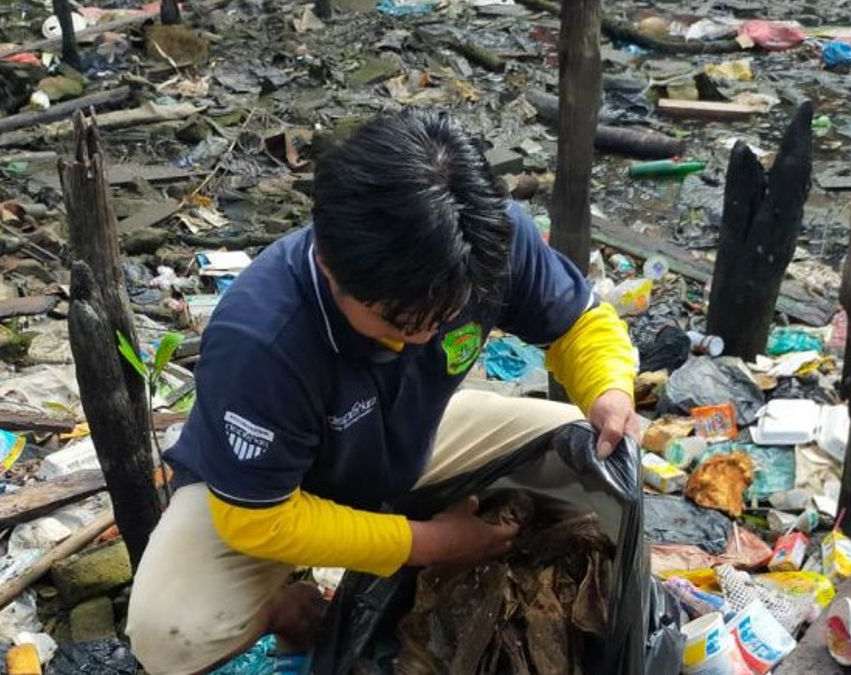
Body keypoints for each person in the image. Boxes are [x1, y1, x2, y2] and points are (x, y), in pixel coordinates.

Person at [125, 109, 639, 675]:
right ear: (327, 262)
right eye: (399, 320)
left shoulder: (482, 238)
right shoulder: (259, 338)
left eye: (441, 316)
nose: (423, 334)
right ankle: (283, 604)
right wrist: (437, 544)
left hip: (415, 436)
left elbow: (580, 323)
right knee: (169, 632)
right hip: (270, 489)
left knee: (592, 448)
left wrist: (609, 389)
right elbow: (258, 521)